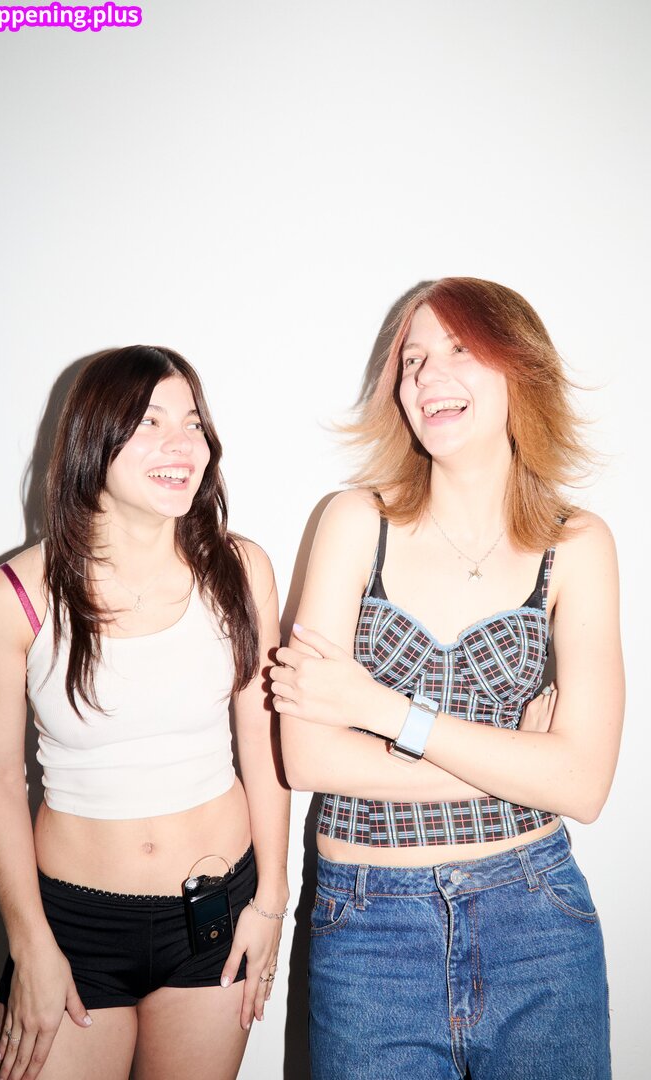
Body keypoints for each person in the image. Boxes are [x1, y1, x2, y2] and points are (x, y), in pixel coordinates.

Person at [274, 278, 623, 1080]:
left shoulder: (577, 544)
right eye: (413, 360)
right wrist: (520, 764)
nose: (429, 375)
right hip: (369, 928)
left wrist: (380, 710)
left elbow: (585, 786)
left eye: (460, 350)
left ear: (520, 368)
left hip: (536, 916)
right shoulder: (354, 522)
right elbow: (308, 757)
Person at [0, 345, 290, 1080]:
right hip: (72, 928)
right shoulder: (11, 599)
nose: (183, 444)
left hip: (214, 916)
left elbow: (264, 741)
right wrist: (30, 942)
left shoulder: (242, 572)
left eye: (194, 423)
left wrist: (272, 899)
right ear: (94, 439)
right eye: (151, 423)